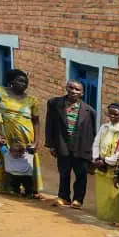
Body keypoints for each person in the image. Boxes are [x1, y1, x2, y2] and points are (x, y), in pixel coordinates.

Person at [0, 68, 42, 198]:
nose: (24, 84)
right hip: (6, 135)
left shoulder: (32, 100)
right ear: (11, 81)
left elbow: (36, 121)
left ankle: (31, 189)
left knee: (26, 161)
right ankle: (6, 186)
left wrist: (36, 142)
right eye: (21, 81)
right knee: (5, 158)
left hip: (26, 135)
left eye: (26, 82)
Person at [45, 81, 97, 209]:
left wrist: (92, 153)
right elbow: (49, 125)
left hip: (81, 147)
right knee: (64, 172)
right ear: (66, 88)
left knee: (81, 175)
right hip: (62, 145)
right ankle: (63, 197)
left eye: (77, 90)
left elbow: (92, 132)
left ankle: (78, 200)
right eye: (71, 88)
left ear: (82, 93)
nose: (74, 91)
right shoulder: (55, 104)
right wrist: (51, 145)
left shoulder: (89, 111)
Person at [87, 102, 119, 219]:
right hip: (100, 165)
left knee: (112, 194)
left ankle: (113, 218)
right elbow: (96, 143)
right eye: (110, 113)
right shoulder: (104, 127)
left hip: (113, 168)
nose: (112, 116)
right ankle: (102, 215)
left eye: (115, 114)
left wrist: (106, 161)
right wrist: (96, 158)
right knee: (101, 193)